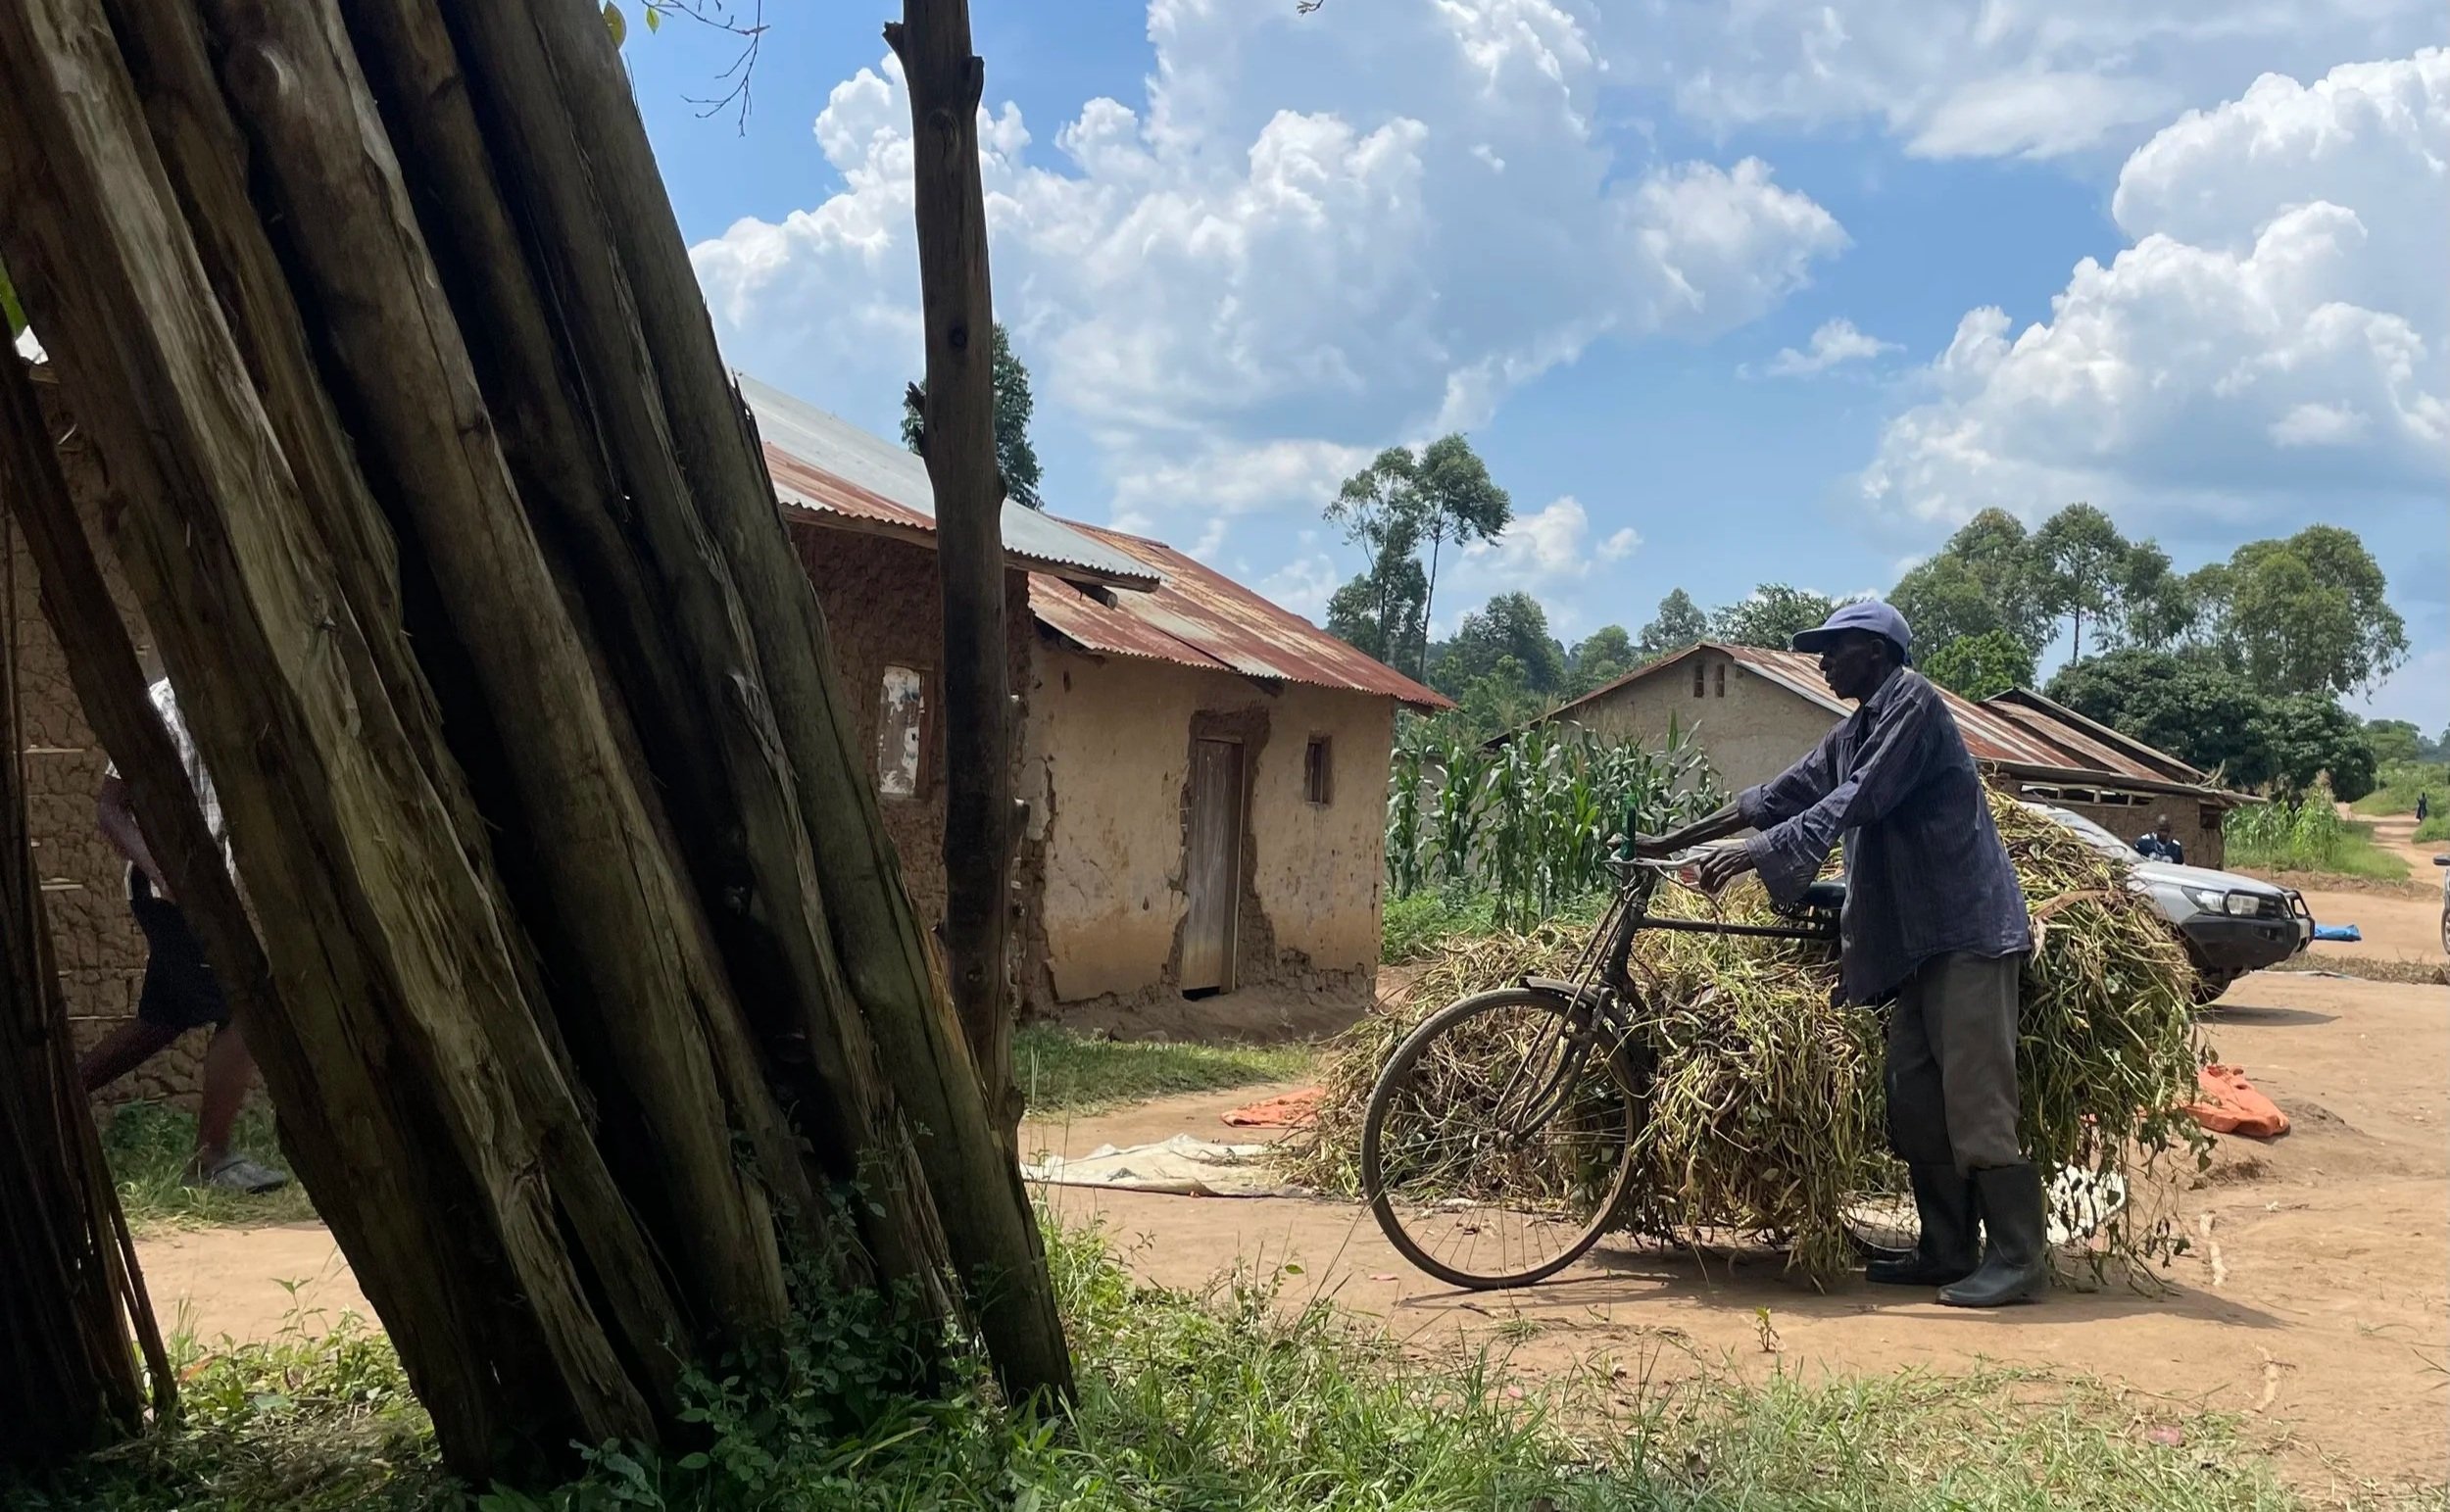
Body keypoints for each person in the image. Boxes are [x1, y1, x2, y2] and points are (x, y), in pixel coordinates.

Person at [1636, 601, 2042, 1307]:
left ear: (1876, 653)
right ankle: (1947, 1248)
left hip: (1967, 933)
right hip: (1917, 944)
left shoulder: (1912, 704)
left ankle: (2018, 1256)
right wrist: (1669, 843)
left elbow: (1859, 797)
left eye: (1835, 650)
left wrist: (1758, 853)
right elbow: (1782, 793)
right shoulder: (1856, 727)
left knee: (1975, 1101)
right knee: (1914, 1101)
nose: (1822, 663)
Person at [78, 668, 287, 1194]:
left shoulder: (234, 695)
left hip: (210, 897)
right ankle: (210, 1158)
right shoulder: (160, 707)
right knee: (245, 1008)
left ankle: (51, 1100)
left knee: (160, 1023)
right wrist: (160, 872)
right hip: (171, 899)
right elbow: (110, 809)